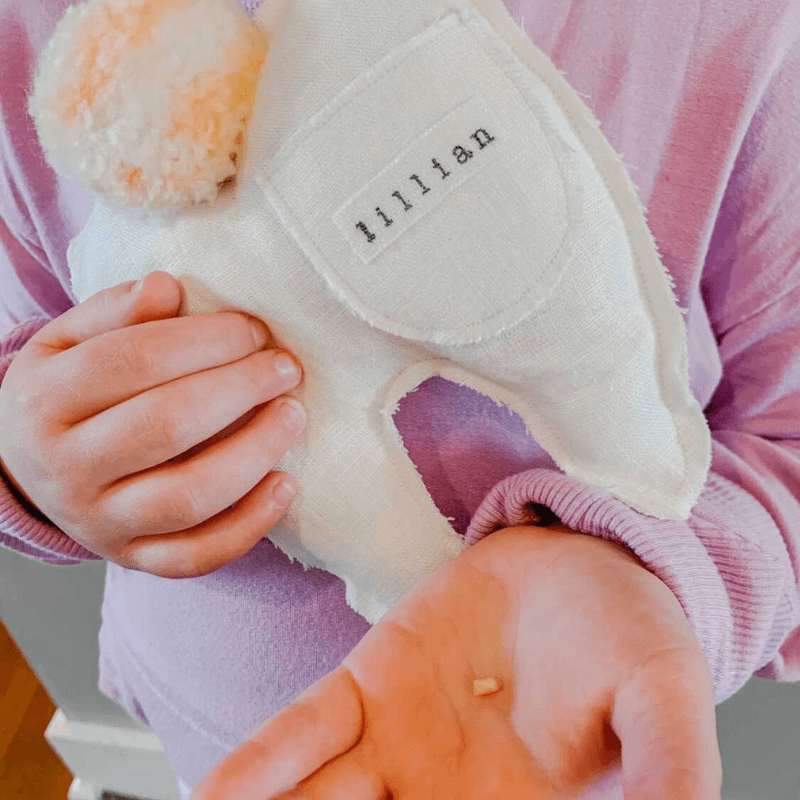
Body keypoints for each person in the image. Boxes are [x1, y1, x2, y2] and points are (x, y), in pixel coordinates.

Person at [1, 0, 799, 797]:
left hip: (551, 738)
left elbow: (786, 442)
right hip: (222, 731)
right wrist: (28, 464)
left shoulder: (736, 30)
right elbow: (23, 341)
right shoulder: (33, 33)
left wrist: (640, 570)